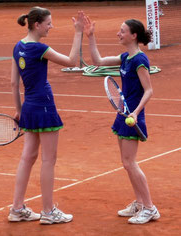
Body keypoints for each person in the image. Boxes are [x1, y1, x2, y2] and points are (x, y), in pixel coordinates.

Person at [8, 6, 84, 224]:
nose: (51, 26)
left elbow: (14, 83)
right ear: (37, 24)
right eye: (49, 23)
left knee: (27, 157)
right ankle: (49, 212)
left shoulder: (18, 47)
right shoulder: (40, 48)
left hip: (29, 108)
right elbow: (71, 62)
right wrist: (78, 32)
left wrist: (20, 111)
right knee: (48, 160)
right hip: (44, 107)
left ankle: (16, 208)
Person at [84, 16, 160, 224]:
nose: (119, 33)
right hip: (123, 115)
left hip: (133, 116)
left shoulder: (139, 60)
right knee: (126, 163)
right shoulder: (126, 57)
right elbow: (97, 62)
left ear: (133, 35)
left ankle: (150, 208)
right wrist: (90, 37)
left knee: (130, 162)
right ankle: (139, 202)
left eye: (122, 31)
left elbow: (149, 90)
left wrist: (135, 112)